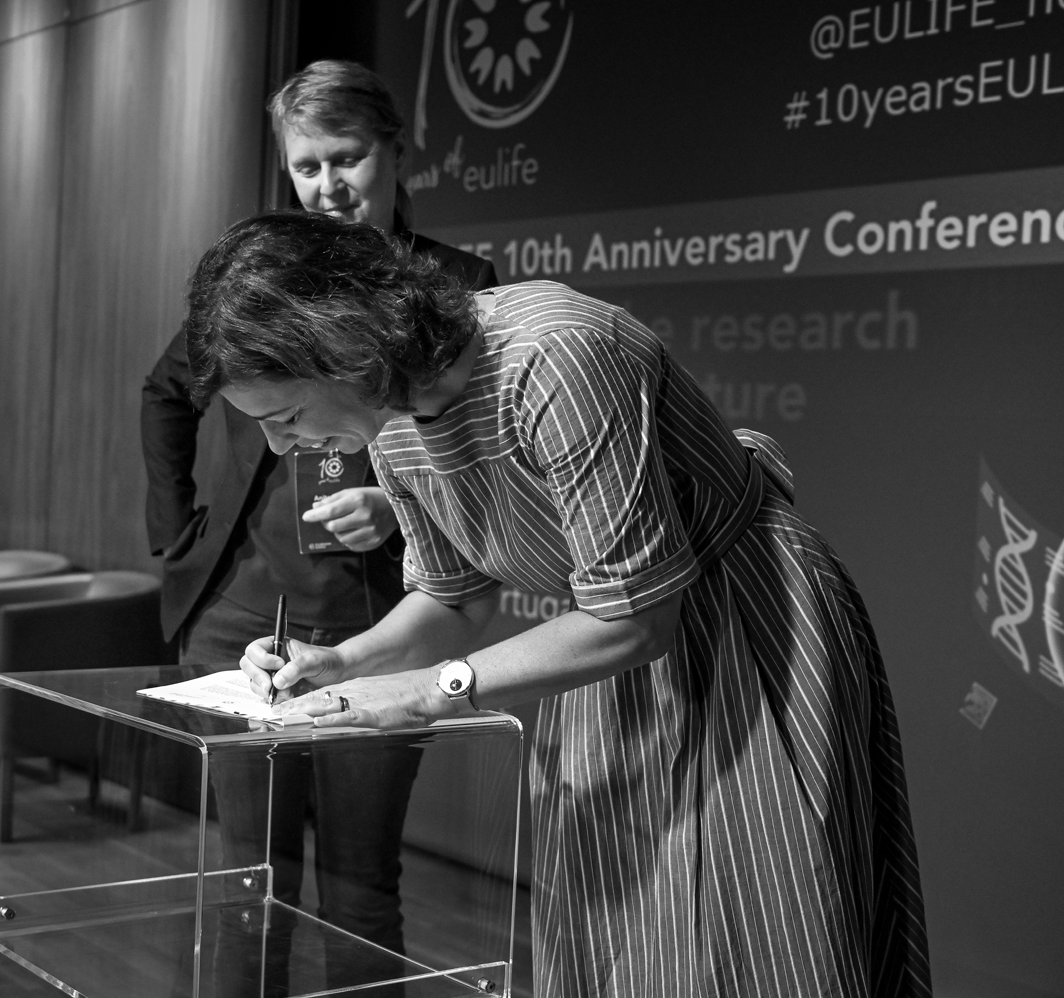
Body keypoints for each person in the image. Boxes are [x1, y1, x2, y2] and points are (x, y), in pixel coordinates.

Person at [182, 210, 933, 998]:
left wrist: (426, 692)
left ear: (343, 344)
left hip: (745, 629)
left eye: (287, 416)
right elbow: (452, 598)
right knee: (626, 935)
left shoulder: (554, 355)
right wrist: (342, 661)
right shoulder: (390, 422)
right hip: (604, 656)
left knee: (764, 926)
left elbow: (637, 617)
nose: (279, 446)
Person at [140, 61, 496, 996]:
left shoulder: (456, 289)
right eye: (307, 168)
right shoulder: (264, 278)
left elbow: (466, 467)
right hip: (241, 608)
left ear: (395, 152)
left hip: (379, 615)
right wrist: (174, 531)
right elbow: (166, 391)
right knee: (245, 876)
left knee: (357, 883)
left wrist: (397, 501)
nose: (329, 187)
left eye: (348, 159)